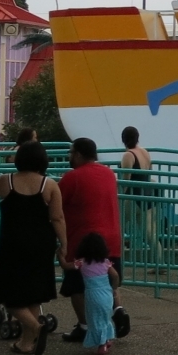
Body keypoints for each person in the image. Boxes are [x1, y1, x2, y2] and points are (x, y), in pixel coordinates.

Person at [0, 140, 68, 355]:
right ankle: (26, 342)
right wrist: (64, 244)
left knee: (7, 293)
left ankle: (35, 327)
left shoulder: (5, 181)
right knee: (33, 293)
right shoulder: (49, 185)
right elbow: (57, 218)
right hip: (42, 244)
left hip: (12, 243)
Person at [57, 138, 121, 343]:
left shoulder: (72, 177)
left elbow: (56, 203)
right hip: (111, 239)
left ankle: (84, 326)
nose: (69, 157)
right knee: (107, 282)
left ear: (77, 154)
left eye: (70, 153)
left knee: (76, 287)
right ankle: (116, 310)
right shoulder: (109, 174)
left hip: (83, 241)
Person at [74, 232, 117, 355]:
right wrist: (114, 288)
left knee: (94, 319)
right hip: (107, 294)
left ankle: (102, 344)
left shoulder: (81, 262)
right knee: (105, 317)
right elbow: (115, 276)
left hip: (92, 295)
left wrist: (60, 256)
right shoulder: (106, 262)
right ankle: (106, 339)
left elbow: (66, 266)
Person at [118, 125, 154, 257]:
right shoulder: (145, 152)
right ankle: (160, 262)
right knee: (149, 234)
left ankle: (117, 260)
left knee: (117, 227)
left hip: (132, 196)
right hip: (146, 196)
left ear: (123, 139)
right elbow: (149, 172)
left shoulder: (128, 155)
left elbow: (126, 180)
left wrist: (119, 196)